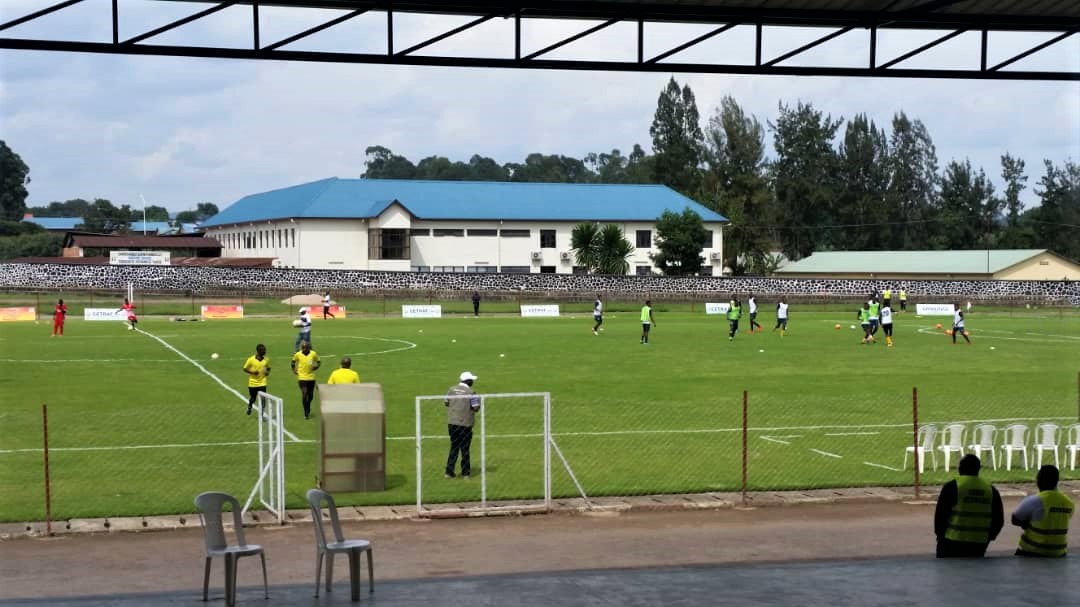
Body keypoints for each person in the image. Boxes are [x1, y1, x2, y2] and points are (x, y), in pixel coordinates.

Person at [934, 454, 1004, 558]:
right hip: (979, 542)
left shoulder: (952, 486)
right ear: (978, 469)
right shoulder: (990, 489)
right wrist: (989, 537)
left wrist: (940, 536)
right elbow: (999, 519)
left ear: (960, 469)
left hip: (952, 541)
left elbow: (940, 515)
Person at [1011, 465, 1074, 557]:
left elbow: (1015, 519)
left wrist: (1026, 524)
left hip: (1032, 552)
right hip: (1058, 553)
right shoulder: (1069, 503)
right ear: (1056, 482)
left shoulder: (1035, 500)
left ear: (1038, 481)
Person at [445, 371, 481, 479]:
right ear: (468, 381)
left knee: (454, 447)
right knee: (465, 449)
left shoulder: (451, 390)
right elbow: (476, 407)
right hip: (465, 424)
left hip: (452, 423)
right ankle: (465, 473)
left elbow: (446, 402)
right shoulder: (471, 392)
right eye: (472, 380)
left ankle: (449, 472)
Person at [290, 340, 320, 419]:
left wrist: (316, 366)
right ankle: (306, 412)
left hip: (311, 377)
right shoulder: (298, 354)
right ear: (301, 348)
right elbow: (293, 362)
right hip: (302, 377)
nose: (304, 349)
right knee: (305, 393)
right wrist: (294, 370)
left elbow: (318, 361)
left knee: (310, 396)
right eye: (303, 348)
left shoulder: (313, 354)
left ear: (308, 348)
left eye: (306, 347)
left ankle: (308, 406)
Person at [242, 344, 270, 416]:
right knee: (253, 398)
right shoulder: (251, 359)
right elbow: (244, 369)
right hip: (253, 383)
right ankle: (250, 406)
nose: (265, 351)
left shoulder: (266, 360)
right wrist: (253, 372)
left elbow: (268, 368)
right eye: (263, 350)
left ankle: (261, 415)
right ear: (258, 351)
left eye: (265, 350)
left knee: (263, 399)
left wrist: (267, 372)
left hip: (262, 383)